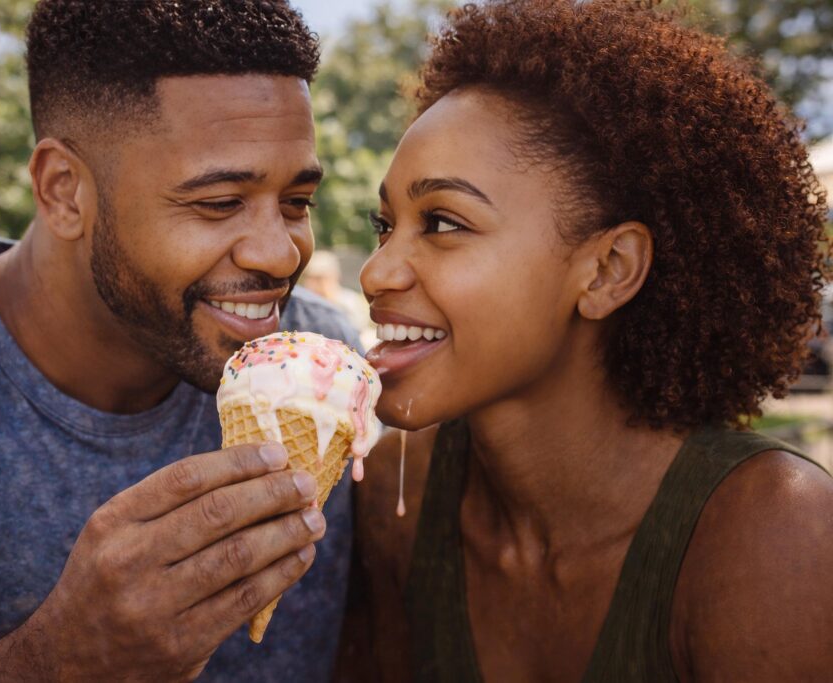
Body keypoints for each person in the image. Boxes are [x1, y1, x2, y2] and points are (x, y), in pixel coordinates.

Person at [0, 2, 362, 681]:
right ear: (64, 190)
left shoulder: (327, 371)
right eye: (219, 203)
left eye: (297, 202)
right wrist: (56, 659)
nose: (280, 253)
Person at [341, 0, 833, 680]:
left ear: (608, 270)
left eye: (444, 223)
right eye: (383, 223)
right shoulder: (399, 494)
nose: (376, 271)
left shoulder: (777, 534)